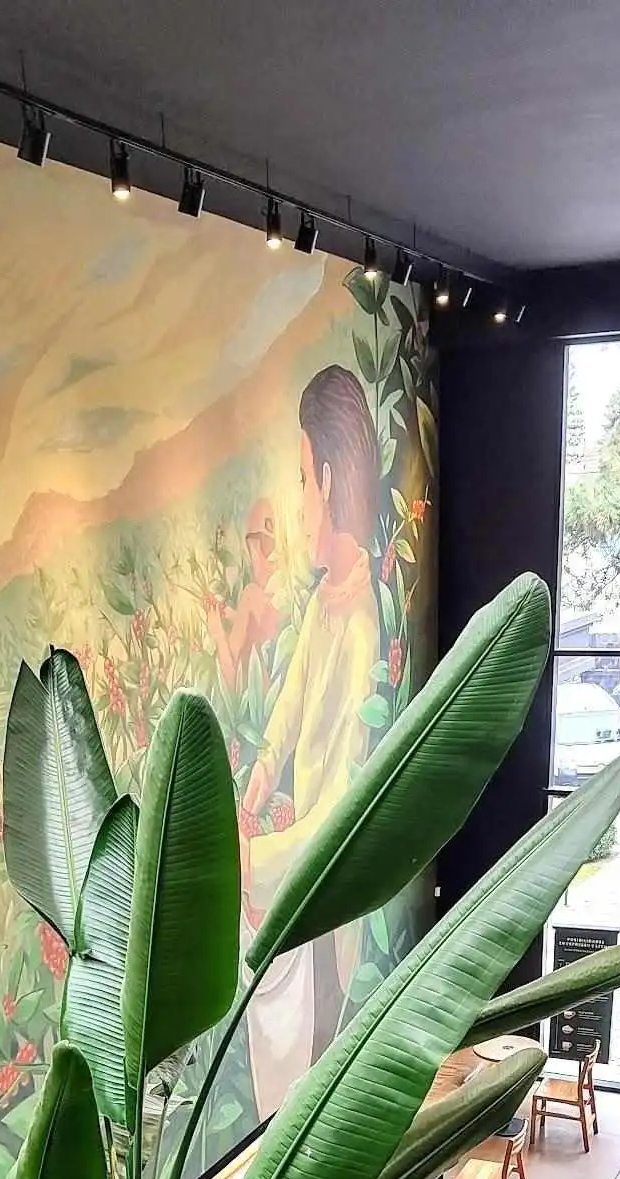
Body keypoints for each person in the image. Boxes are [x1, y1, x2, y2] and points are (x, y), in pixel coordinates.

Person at [243, 364, 381, 1110]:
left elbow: (340, 807)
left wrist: (255, 860)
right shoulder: (323, 602)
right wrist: (255, 788)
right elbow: (287, 715)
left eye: (301, 480)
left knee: (312, 1069)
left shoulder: (361, 623)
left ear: (328, 479)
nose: (299, 504)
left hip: (330, 887)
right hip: (302, 858)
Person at [205, 499, 281, 694]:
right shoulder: (284, 594)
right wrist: (238, 617)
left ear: (254, 547)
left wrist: (218, 634)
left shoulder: (250, 595)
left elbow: (231, 682)